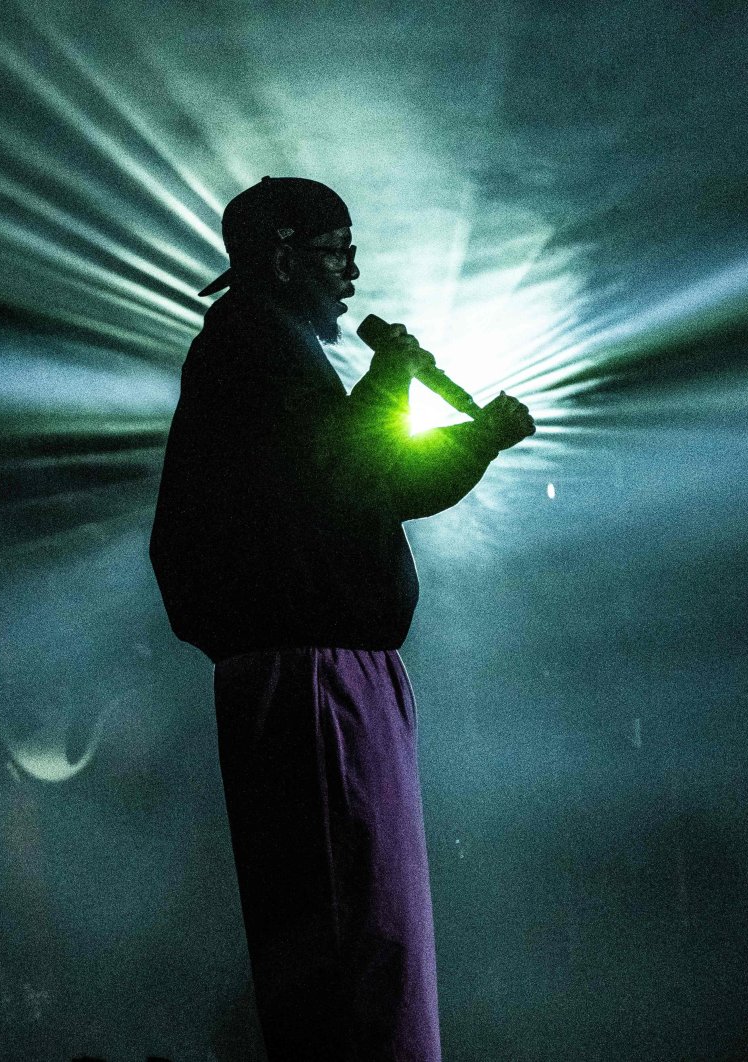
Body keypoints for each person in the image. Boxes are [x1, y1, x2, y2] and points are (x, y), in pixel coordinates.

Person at [150, 176, 534, 1061]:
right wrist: (422, 396)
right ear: (283, 258)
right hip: (316, 679)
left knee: (354, 937)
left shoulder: (256, 347)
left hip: (314, 675)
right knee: (356, 937)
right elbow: (366, 482)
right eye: (337, 253)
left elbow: (353, 480)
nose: (352, 274)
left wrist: (452, 428)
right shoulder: (258, 351)